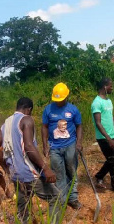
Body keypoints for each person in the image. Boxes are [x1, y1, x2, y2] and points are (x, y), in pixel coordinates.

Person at [0, 97, 62, 224]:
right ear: (28, 109)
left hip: (16, 174)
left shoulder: (6, 123)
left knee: (23, 208)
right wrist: (46, 169)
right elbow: (29, 146)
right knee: (55, 197)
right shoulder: (27, 119)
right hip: (29, 172)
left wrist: (7, 168)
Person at [42, 82, 83, 210]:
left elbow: (79, 126)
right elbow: (44, 127)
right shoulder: (48, 109)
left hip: (70, 145)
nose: (58, 102)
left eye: (61, 100)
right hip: (54, 147)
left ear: (66, 97)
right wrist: (44, 145)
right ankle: (62, 200)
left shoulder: (73, 109)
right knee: (58, 174)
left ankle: (73, 198)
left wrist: (79, 143)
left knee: (71, 171)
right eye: (56, 100)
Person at [91, 77, 114, 192]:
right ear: (104, 87)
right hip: (104, 138)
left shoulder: (108, 101)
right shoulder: (96, 103)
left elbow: (109, 117)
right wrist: (109, 140)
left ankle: (99, 176)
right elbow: (98, 122)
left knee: (111, 159)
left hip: (112, 135)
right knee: (113, 161)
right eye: (110, 86)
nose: (112, 88)